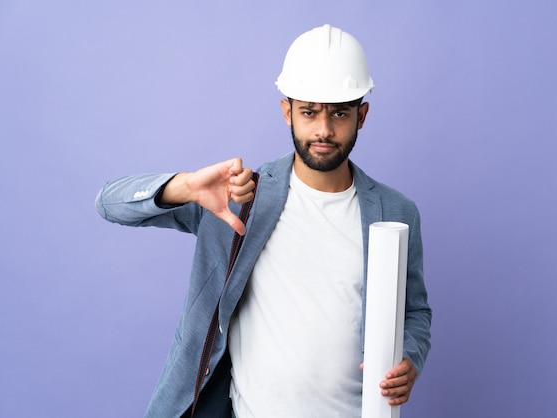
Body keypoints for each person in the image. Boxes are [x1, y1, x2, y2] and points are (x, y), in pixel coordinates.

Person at [96, 24, 431, 418]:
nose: (323, 129)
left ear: (362, 115)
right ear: (287, 111)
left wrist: (408, 357)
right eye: (309, 112)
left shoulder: (395, 211)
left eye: (339, 113)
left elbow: (414, 311)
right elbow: (109, 203)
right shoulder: (238, 198)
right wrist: (184, 186)